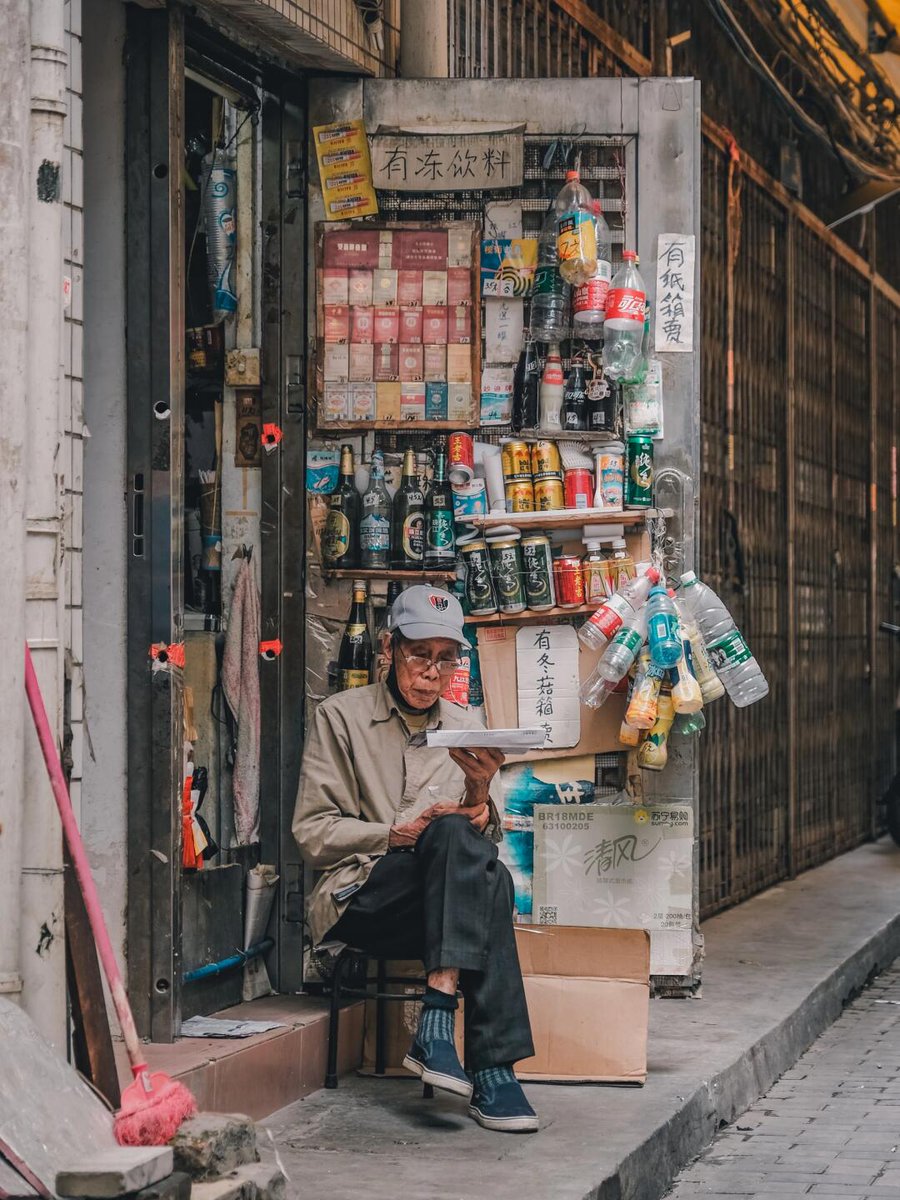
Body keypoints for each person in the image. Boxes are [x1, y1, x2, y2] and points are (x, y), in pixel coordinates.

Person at [293, 585, 538, 1133]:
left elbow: (479, 839)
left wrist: (480, 790)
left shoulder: (465, 723)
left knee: (475, 859)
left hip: (439, 912)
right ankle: (492, 1067)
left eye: (446, 658)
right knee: (481, 873)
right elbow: (312, 834)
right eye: (419, 655)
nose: (432, 671)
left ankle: (438, 1022)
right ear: (388, 648)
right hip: (362, 896)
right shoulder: (341, 716)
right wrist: (395, 835)